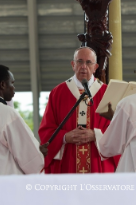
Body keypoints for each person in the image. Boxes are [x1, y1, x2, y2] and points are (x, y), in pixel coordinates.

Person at [39, 46, 120, 174]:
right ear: (73, 64)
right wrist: (65, 137)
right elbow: (46, 130)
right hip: (67, 164)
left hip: (98, 163)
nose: (84, 66)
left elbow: (118, 130)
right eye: (80, 61)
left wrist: (96, 135)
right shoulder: (58, 93)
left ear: (95, 67)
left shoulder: (107, 93)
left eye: (88, 62)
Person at [0, 64, 48, 175]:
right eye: (12, 83)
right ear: (3, 85)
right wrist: (40, 153)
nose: (14, 87)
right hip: (5, 184)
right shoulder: (6, 113)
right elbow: (28, 156)